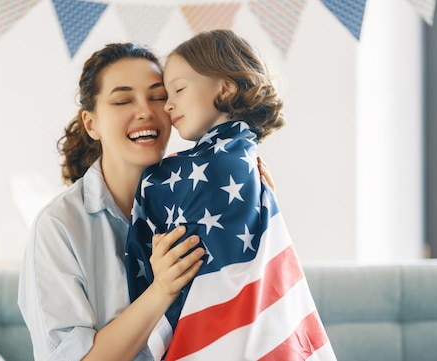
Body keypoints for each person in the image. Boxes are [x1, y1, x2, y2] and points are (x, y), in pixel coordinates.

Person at [17, 42, 275, 361]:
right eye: (123, 100)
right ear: (91, 123)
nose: (146, 111)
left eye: (158, 97)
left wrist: (260, 214)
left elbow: (244, 311)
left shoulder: (199, 198)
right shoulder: (59, 226)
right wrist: (160, 291)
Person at [125, 30, 337, 360]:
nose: (168, 105)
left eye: (179, 89)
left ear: (225, 86)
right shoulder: (246, 163)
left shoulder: (181, 176)